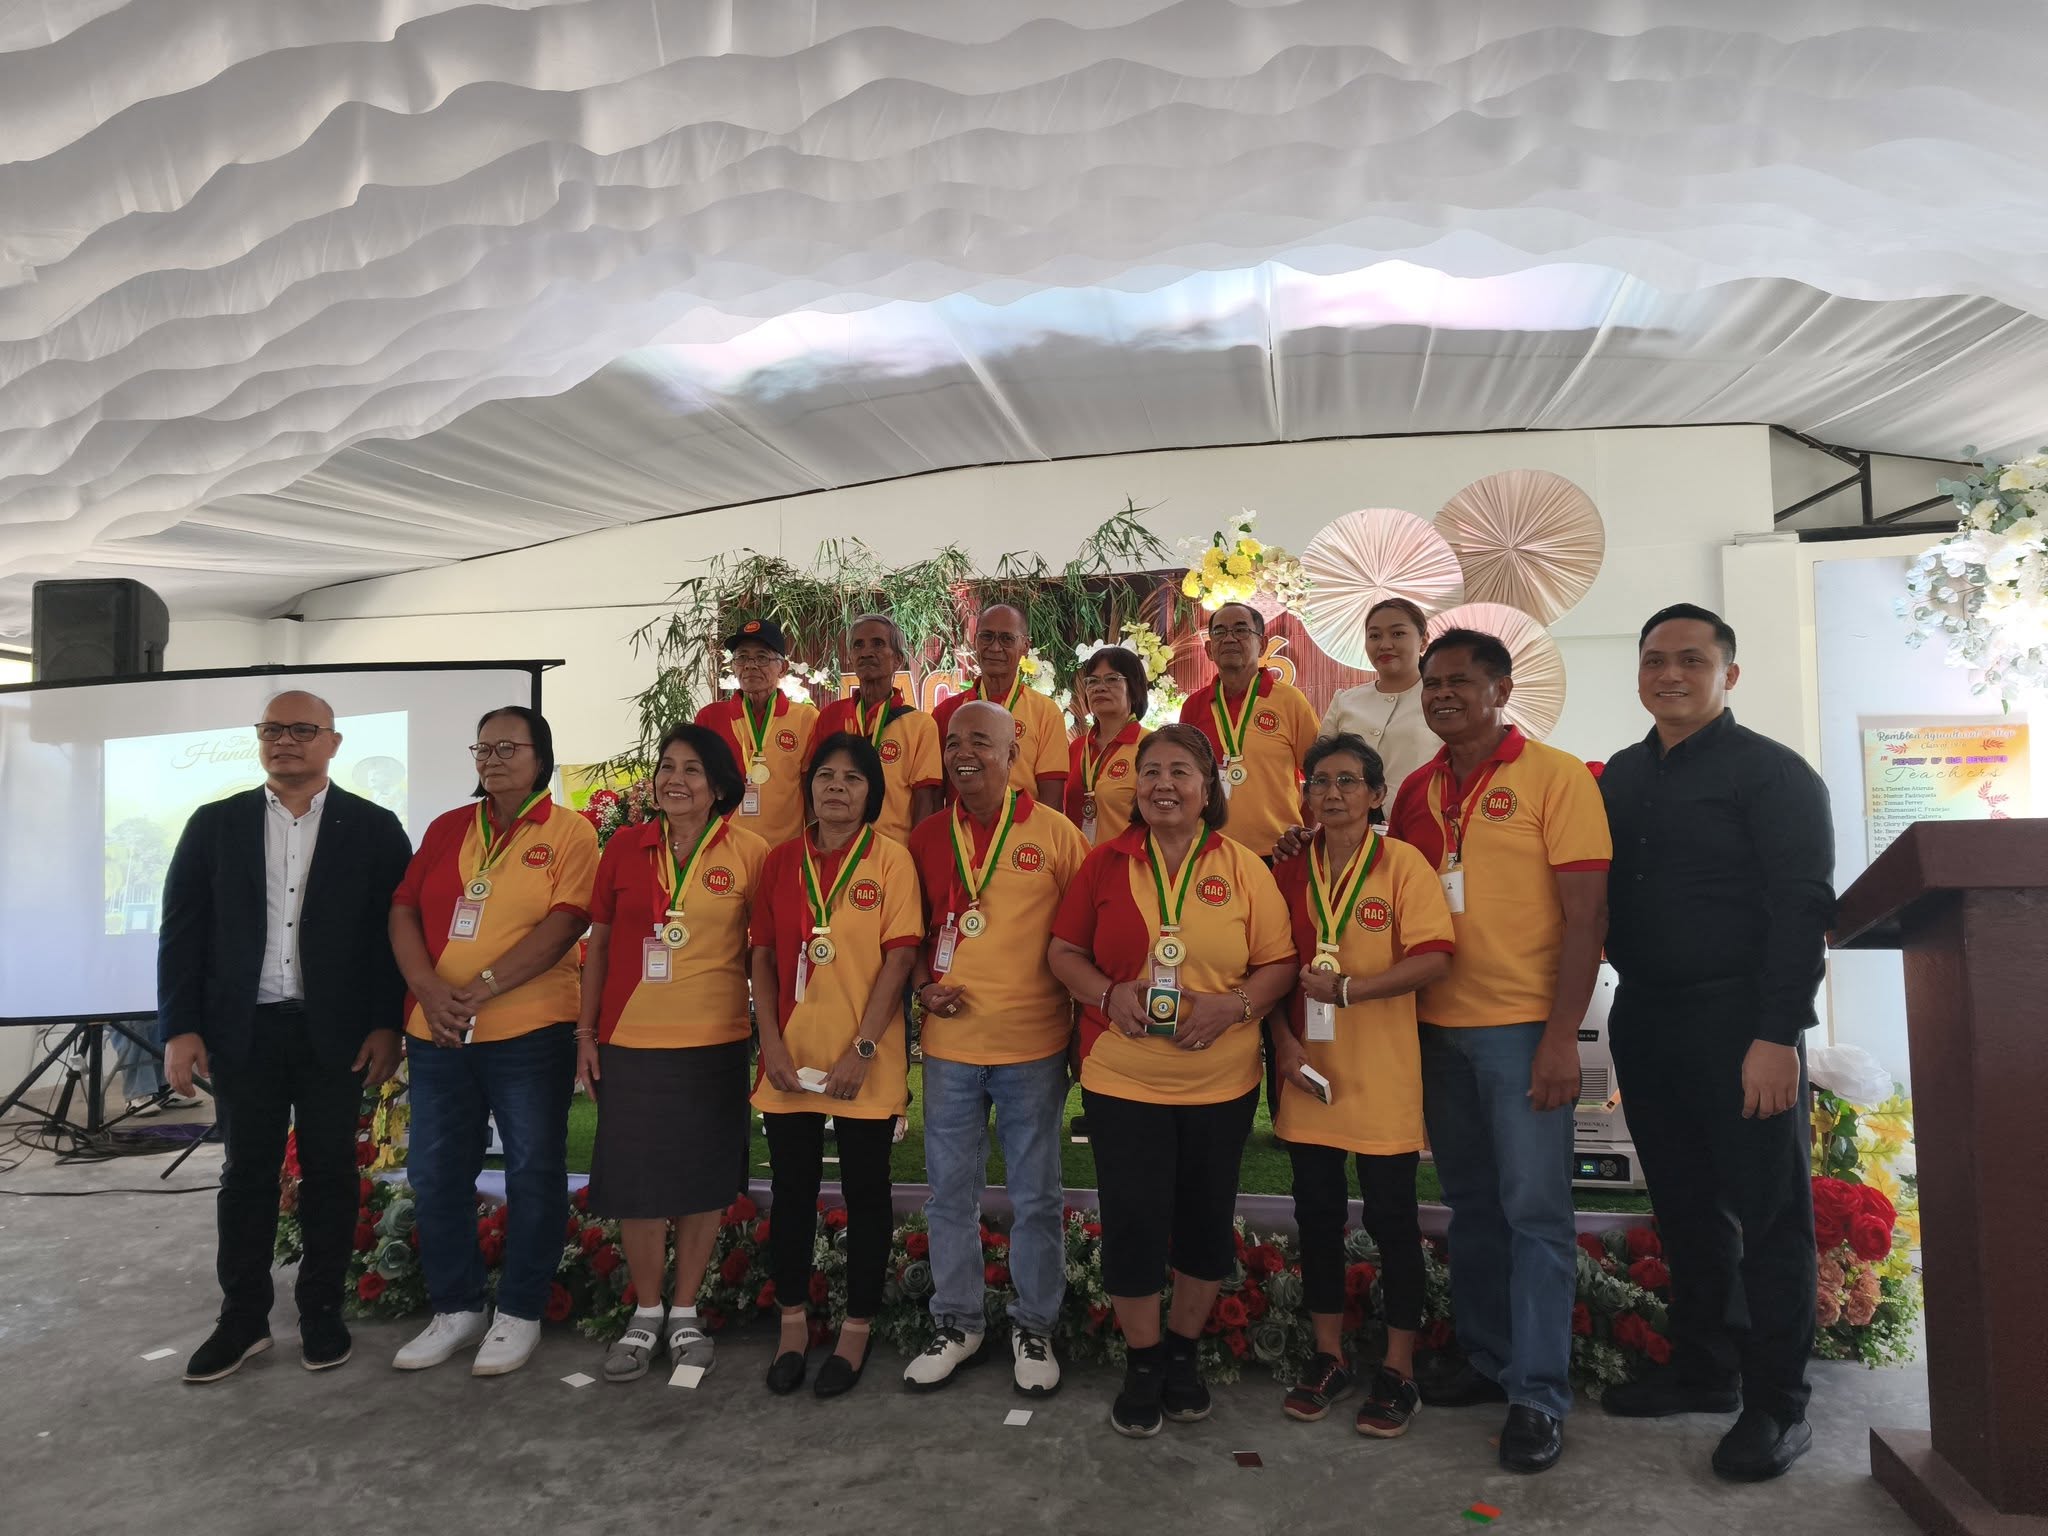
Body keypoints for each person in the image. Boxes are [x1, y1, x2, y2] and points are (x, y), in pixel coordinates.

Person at [1597, 604, 1835, 1482]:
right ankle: (1705, 1369)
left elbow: (1802, 910)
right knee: (1686, 1207)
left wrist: (1779, 1035)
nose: (1670, 674)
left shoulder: (1773, 774)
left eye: (1691, 660)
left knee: (1771, 1218)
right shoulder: (1620, 776)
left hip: (1743, 1023)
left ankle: (1779, 1406)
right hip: (1647, 1017)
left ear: (1728, 674)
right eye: (1655, 659)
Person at [1385, 629, 1611, 1474]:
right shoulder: (1417, 791)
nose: (1442, 695)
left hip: (1523, 1033)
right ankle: (1487, 1357)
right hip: (1436, 1030)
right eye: (1432, 684)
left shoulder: (1557, 777)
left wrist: (1561, 1038)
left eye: (1460, 681)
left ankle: (1539, 1393)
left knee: (1536, 1214)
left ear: (1501, 689)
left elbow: (1588, 919)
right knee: (1472, 1206)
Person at [1047, 724, 1296, 1438]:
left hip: (1221, 1083)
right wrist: (1105, 993)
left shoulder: (1243, 866)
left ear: (1207, 786)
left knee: (1203, 1221)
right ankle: (1144, 1360)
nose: (1163, 784)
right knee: (1132, 1221)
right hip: (1124, 1079)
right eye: (1150, 770)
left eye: (1180, 771)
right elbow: (1063, 950)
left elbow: (1278, 963)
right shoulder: (1103, 863)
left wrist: (1234, 1006)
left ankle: (1183, 1355)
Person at [157, 691, 413, 1382]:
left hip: (338, 1034)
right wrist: (180, 1026)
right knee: (246, 1175)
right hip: (245, 1031)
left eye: (303, 729)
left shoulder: (374, 827)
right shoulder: (215, 824)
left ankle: (320, 1310)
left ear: (333, 742)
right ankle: (242, 1319)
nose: (286, 740)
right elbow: (182, 932)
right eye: (273, 729)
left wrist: (388, 1023)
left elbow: (393, 937)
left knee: (331, 1172)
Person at [388, 706, 598, 1377]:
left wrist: (480, 988)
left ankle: (520, 1310)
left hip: (529, 1032)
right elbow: (403, 908)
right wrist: (427, 988)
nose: (494, 759)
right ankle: (457, 1307)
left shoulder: (570, 832)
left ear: (541, 757)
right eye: (484, 748)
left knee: (532, 1170)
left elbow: (566, 924)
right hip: (438, 1031)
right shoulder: (449, 826)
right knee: (435, 1171)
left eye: (510, 748)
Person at [1269, 734, 1455, 1435]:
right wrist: (1284, 1044)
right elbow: (1266, 968)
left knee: (1392, 1222)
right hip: (1308, 1074)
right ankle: (1329, 1356)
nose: (1333, 793)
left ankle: (1399, 1368)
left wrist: (1350, 989)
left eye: (1349, 781)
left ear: (1377, 794)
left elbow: (1434, 957)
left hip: (1383, 1075)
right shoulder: (1290, 870)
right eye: (1320, 781)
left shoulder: (1402, 864)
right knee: (1316, 1217)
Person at [902, 701, 1088, 1395]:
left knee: (1036, 1195)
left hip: (1033, 1046)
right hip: (950, 1048)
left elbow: (1082, 940)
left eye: (981, 741)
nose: (963, 753)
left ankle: (1034, 1325)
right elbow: (909, 937)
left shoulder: (1058, 835)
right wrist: (924, 988)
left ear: (1014, 755)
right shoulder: (927, 838)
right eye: (953, 742)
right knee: (950, 1194)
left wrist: (1081, 1036)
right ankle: (958, 1322)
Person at [576, 722, 769, 1384]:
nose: (674, 779)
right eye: (666, 766)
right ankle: (646, 1311)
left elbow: (763, 954)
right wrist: (585, 1035)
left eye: (691, 769)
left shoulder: (750, 852)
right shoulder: (625, 847)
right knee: (637, 1185)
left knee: (702, 1181)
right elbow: (600, 945)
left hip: (714, 1043)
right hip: (630, 1041)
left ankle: (684, 1310)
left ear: (718, 786)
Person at [749, 732, 922, 1398]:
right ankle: (792, 1324)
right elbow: (763, 956)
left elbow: (900, 959)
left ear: (871, 792)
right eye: (825, 776)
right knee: (791, 1192)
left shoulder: (891, 861)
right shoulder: (780, 860)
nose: (837, 788)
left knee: (865, 1192)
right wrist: (770, 1042)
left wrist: (864, 1050)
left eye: (852, 779)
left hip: (863, 1061)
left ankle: (855, 1328)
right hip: (790, 1059)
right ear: (809, 787)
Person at [1178, 602, 1318, 857]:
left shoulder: (1290, 702)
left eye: (1241, 630)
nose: (1229, 638)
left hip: (1278, 852)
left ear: (1262, 644)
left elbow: (1319, 775)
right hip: (1209, 851)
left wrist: (1303, 832)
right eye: (1220, 632)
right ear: (1209, 649)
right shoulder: (1193, 707)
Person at [809, 613, 942, 843]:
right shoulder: (831, 716)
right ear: (850, 657)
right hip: (837, 849)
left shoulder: (919, 725)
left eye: (878, 644)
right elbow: (814, 785)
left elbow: (926, 802)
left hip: (892, 851)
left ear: (898, 659)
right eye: (858, 645)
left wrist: (915, 857)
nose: (866, 652)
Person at [694, 618, 820, 847]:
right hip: (726, 846)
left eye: (762, 657)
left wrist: (813, 845)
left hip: (785, 847)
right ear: (733, 666)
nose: (750, 665)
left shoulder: (806, 718)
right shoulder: (710, 718)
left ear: (782, 667)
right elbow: (700, 786)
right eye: (742, 657)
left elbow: (810, 788)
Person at [932, 602, 1069, 806]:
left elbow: (1052, 801)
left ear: (1025, 646)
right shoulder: (947, 712)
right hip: (960, 826)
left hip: (1023, 825)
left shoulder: (1045, 713)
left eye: (1007, 639)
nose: (995, 647)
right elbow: (935, 797)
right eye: (987, 637)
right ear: (975, 641)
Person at [1320, 598, 1438, 799]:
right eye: (1374, 636)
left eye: (1398, 634)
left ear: (1424, 640)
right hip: (1352, 817)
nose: (1385, 645)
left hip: (1424, 814)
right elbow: (1321, 767)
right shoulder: (1345, 701)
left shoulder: (1441, 699)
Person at [1065, 645, 1149, 845]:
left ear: (1134, 688)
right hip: (1077, 861)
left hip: (1127, 861)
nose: (1099, 687)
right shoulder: (1077, 748)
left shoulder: (1151, 746)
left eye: (1112, 679)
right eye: (1092, 681)